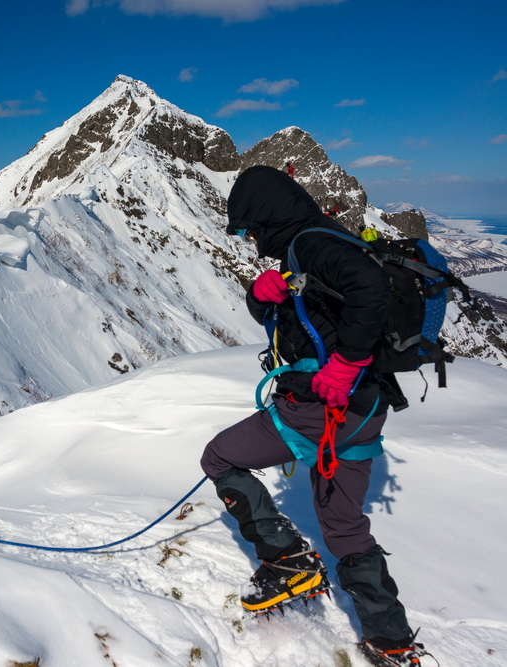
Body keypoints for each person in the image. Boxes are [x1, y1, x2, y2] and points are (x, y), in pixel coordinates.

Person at [202, 166, 429, 665]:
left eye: (248, 227)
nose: (250, 238)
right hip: (366, 409)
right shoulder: (320, 239)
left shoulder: (310, 244)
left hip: (320, 409)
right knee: (345, 528)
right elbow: (311, 314)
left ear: (265, 216)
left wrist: (344, 364)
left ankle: (286, 560)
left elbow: (368, 288)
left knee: (219, 457)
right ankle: (390, 642)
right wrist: (261, 300)